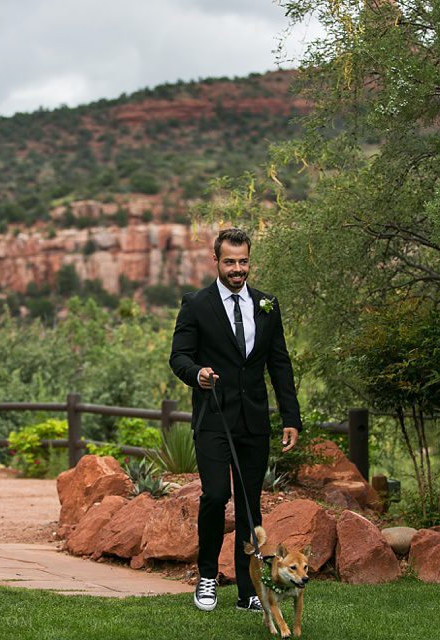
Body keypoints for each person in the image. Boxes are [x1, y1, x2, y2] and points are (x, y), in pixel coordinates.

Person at [170, 227, 302, 613]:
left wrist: (290, 416)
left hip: (253, 421)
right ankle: (207, 577)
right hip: (213, 419)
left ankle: (248, 590)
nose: (238, 269)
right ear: (216, 261)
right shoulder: (196, 304)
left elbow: (280, 363)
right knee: (215, 495)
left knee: (249, 504)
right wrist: (199, 374)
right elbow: (179, 357)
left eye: (243, 261)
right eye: (230, 262)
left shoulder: (267, 305)